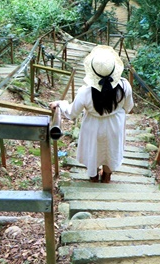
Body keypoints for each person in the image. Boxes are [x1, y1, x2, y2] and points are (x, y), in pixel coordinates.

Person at [50, 45, 134, 183]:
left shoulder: (85, 91)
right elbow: (128, 107)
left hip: (93, 126)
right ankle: (107, 176)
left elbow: (72, 113)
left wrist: (60, 104)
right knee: (110, 150)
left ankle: (93, 177)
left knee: (94, 150)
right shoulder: (125, 86)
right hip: (115, 124)